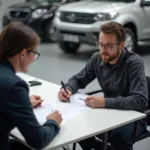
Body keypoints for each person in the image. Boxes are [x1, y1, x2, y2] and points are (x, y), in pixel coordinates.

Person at [58, 22, 148, 150]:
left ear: (122, 45)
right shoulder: (97, 58)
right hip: (108, 112)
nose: (103, 50)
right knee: (77, 122)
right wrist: (67, 89)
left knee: (119, 135)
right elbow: (78, 79)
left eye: (109, 46)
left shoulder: (134, 63)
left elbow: (140, 101)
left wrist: (105, 102)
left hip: (133, 117)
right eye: (100, 44)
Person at [0, 22, 62, 150]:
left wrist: (23, 103)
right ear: (23, 54)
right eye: (34, 53)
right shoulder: (15, 86)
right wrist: (53, 122)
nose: (34, 59)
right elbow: (38, 140)